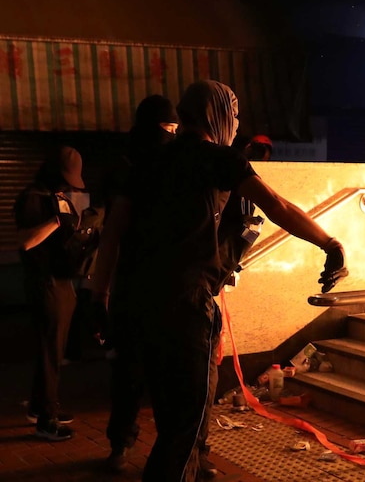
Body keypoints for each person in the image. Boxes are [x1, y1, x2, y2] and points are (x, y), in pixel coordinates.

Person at [93, 79, 348, 482]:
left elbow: (112, 235)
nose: (237, 122)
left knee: (170, 417)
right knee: (185, 426)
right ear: (219, 114)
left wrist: (98, 295)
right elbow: (277, 206)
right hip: (186, 304)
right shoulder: (219, 160)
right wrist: (329, 242)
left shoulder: (146, 162)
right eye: (235, 114)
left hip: (138, 302)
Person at [100, 95, 178, 472]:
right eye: (171, 128)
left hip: (132, 283)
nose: (174, 134)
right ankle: (179, 451)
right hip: (164, 285)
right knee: (168, 378)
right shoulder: (173, 161)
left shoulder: (123, 162)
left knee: (129, 373)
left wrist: (100, 291)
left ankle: (121, 447)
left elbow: (111, 234)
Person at [13, 145, 89, 441]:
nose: (68, 188)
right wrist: (57, 221)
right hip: (44, 282)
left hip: (62, 281)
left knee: (55, 351)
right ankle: (46, 419)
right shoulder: (32, 197)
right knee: (49, 352)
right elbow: (25, 242)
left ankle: (40, 404)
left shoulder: (59, 197)